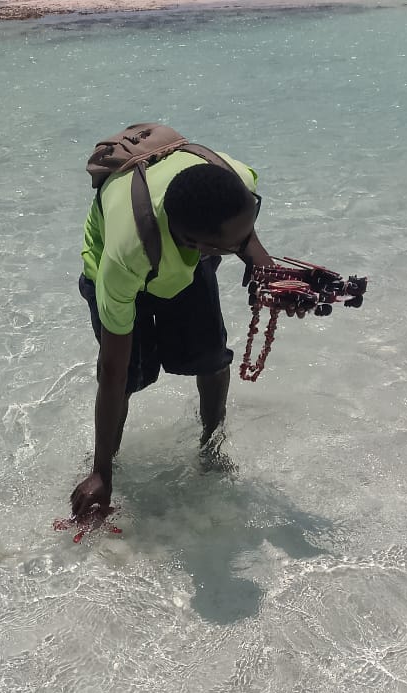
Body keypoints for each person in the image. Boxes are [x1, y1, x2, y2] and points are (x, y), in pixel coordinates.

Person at [71, 147, 276, 520]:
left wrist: (261, 262)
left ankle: (211, 449)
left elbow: (240, 229)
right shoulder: (124, 258)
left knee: (211, 358)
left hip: (183, 255)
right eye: (236, 242)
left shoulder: (236, 181)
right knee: (130, 376)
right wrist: (101, 473)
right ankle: (103, 468)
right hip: (120, 265)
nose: (246, 242)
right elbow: (112, 373)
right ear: (199, 244)